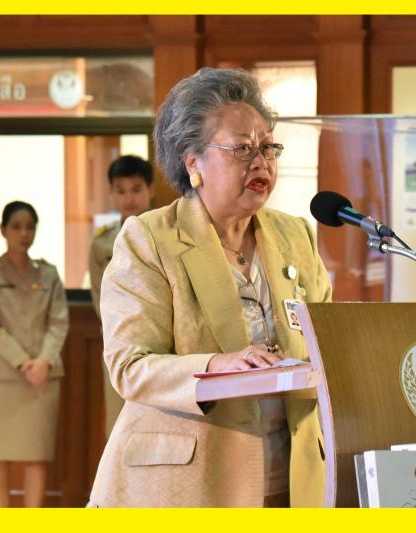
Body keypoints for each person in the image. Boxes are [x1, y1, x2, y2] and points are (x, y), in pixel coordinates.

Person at [88, 67, 332, 508]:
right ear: (193, 163)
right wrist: (218, 365)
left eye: (268, 147)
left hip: (293, 478)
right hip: (189, 481)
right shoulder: (150, 239)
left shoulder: (295, 234)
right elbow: (130, 366)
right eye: (242, 149)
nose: (260, 162)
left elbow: (328, 345)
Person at [0, 201, 69, 507]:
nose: (23, 233)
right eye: (16, 227)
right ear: (3, 230)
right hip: (0, 377)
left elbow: (59, 323)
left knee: (35, 456)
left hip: (43, 375)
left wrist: (43, 362)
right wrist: (24, 362)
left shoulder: (49, 274)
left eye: (29, 227)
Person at [89, 155, 154, 436]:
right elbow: (98, 298)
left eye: (136, 189)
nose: (129, 198)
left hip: (163, 344)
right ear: (112, 193)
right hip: (119, 342)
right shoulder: (102, 242)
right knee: (120, 425)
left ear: (150, 189)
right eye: (121, 190)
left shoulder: (167, 233)